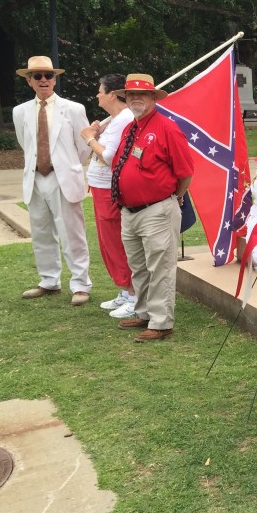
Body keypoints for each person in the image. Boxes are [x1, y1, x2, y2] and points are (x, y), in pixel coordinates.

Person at [111, 73, 193, 342]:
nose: (135, 98)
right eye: (131, 94)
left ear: (153, 98)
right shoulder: (130, 128)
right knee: (139, 266)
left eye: (142, 94)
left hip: (156, 209)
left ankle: (161, 323)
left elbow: (185, 173)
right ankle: (145, 313)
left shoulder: (166, 128)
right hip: (129, 211)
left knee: (160, 267)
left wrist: (174, 197)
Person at [13, 56, 92, 306]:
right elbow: (25, 144)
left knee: (72, 234)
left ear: (55, 79)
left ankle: (80, 284)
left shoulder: (74, 109)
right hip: (35, 178)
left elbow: (83, 148)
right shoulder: (20, 111)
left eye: (48, 75)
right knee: (41, 232)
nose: (44, 80)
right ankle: (49, 280)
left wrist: (66, 167)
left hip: (62, 178)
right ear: (29, 82)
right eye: (38, 76)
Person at [79, 74, 136, 318]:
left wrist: (90, 139)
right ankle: (125, 289)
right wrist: (98, 133)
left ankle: (134, 295)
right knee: (108, 242)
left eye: (100, 91)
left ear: (112, 94)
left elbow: (110, 156)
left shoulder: (124, 119)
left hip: (110, 189)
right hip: (100, 188)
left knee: (117, 241)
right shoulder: (115, 119)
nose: (97, 95)